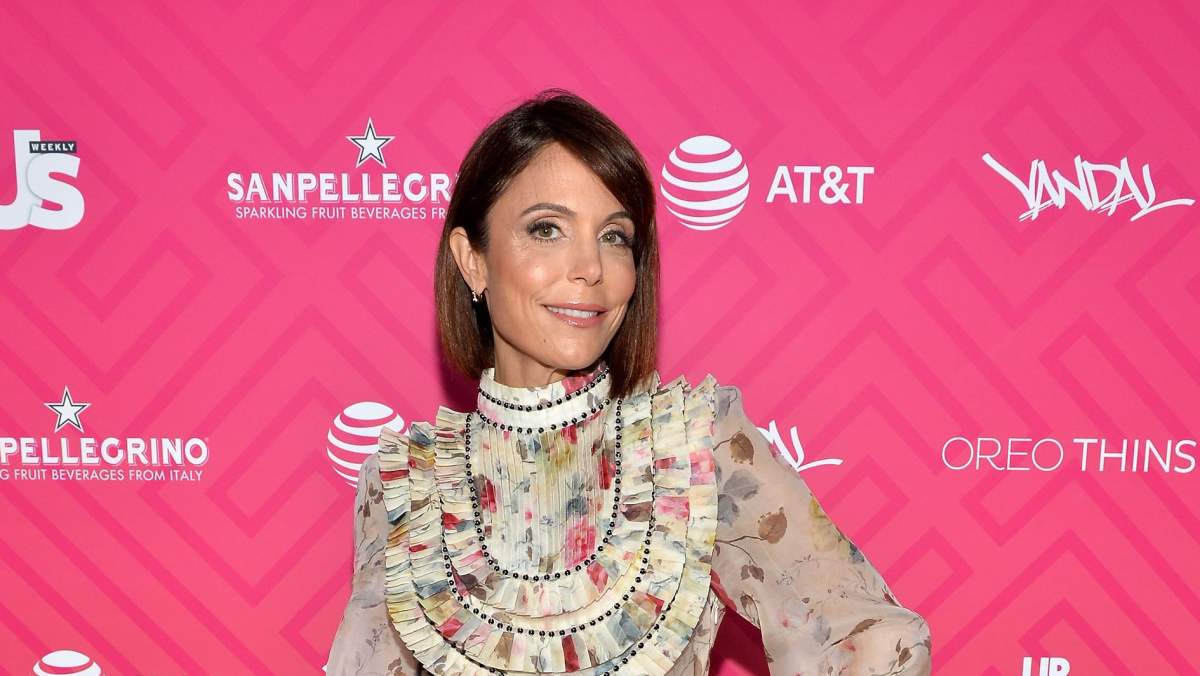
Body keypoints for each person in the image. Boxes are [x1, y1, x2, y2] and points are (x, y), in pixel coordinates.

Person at [326, 89, 931, 675]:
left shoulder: (697, 448)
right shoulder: (407, 486)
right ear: (472, 259)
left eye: (614, 237)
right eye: (547, 229)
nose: (591, 268)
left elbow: (876, 642)